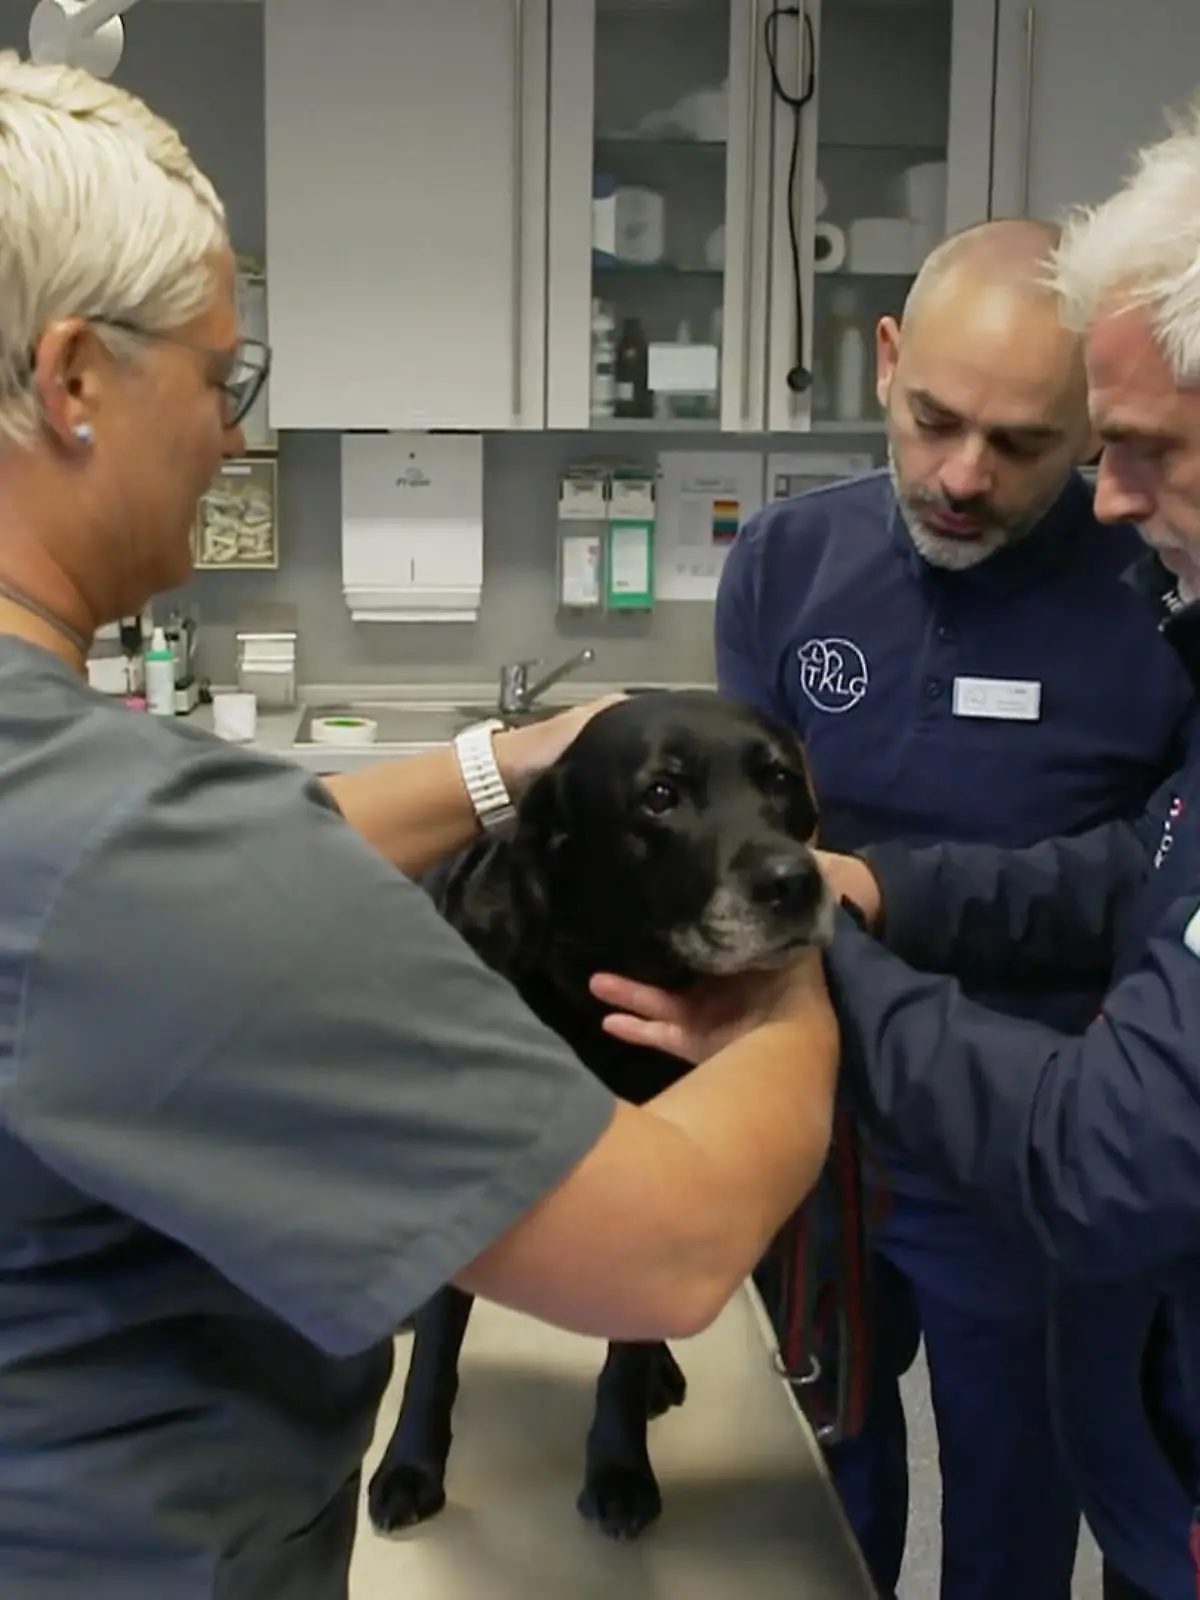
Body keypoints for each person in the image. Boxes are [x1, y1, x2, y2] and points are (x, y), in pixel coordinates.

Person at [0, 54, 842, 1600]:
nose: (231, 436)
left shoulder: (66, 805)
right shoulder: (127, 851)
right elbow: (665, 1250)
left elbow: (241, 843)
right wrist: (790, 972)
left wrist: (511, 762)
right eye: (222, 381)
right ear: (73, 381)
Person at [594, 103, 1200, 1600]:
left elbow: (1150, 867)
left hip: (1037, 1132)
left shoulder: (1156, 573)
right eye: (934, 420)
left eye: (1027, 443)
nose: (962, 476)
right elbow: (738, 833)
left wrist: (877, 916)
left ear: (1095, 425)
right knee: (821, 1470)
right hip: (813, 1109)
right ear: (883, 361)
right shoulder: (789, 564)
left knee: (1010, 1491)